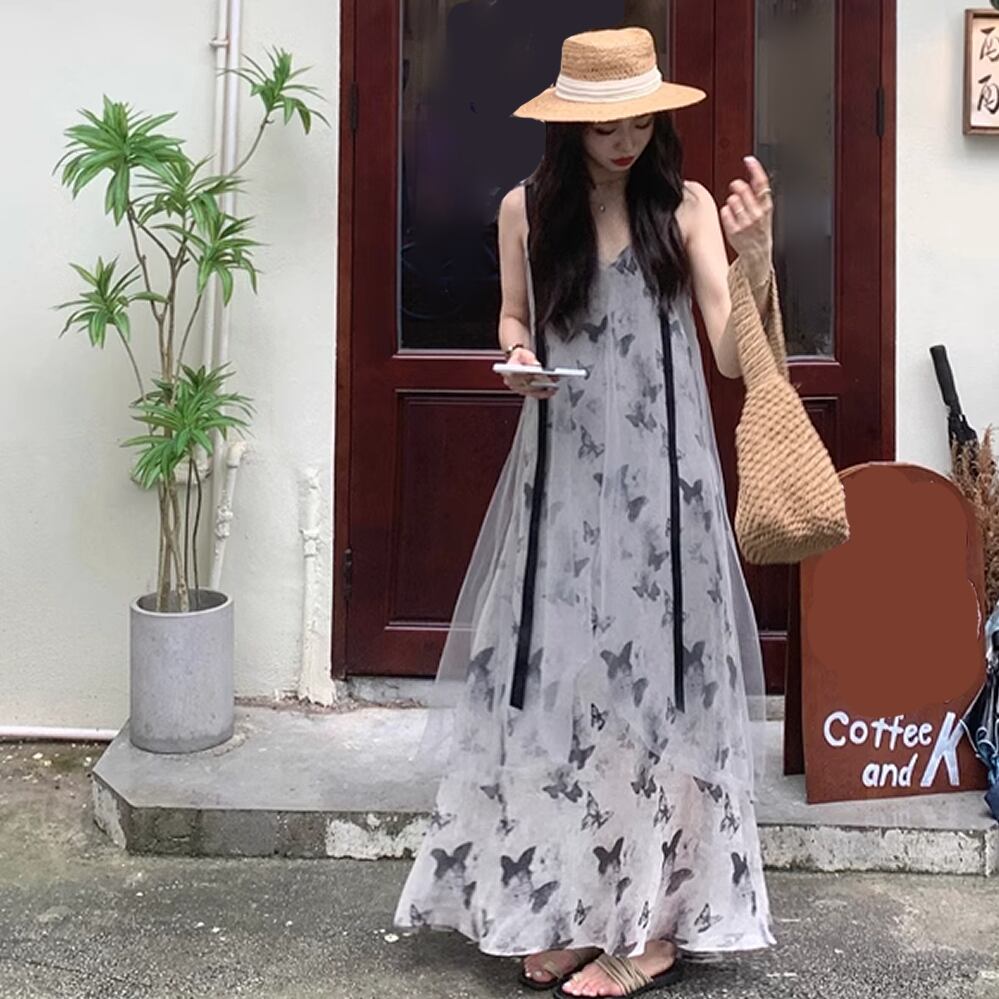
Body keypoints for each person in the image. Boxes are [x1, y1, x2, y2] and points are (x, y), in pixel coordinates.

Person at [395, 26, 777, 997]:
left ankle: (652, 931)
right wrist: (516, 356)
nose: (626, 141)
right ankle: (573, 908)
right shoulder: (526, 209)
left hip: (666, 494)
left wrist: (755, 259)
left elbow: (731, 355)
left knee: (661, 697)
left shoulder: (685, 207)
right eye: (608, 126)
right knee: (567, 691)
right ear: (570, 126)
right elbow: (513, 317)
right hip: (562, 481)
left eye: (641, 123)